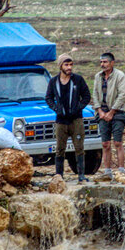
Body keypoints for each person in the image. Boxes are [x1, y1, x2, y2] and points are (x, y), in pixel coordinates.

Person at [44, 52, 91, 183]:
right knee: (59, 149)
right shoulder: (54, 81)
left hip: (76, 120)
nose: (69, 67)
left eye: (71, 64)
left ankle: (81, 175)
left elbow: (87, 96)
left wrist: (78, 107)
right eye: (66, 64)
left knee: (79, 148)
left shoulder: (78, 79)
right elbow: (48, 98)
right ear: (60, 66)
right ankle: (59, 176)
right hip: (60, 121)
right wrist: (55, 108)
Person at [92, 52, 125, 178]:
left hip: (118, 112)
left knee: (118, 143)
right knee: (105, 144)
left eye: (105, 62)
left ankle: (121, 170)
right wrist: (100, 111)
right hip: (102, 113)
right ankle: (107, 171)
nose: (103, 64)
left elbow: (123, 95)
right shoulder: (98, 76)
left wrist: (112, 112)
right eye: (101, 62)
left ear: (112, 63)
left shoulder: (120, 76)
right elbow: (95, 94)